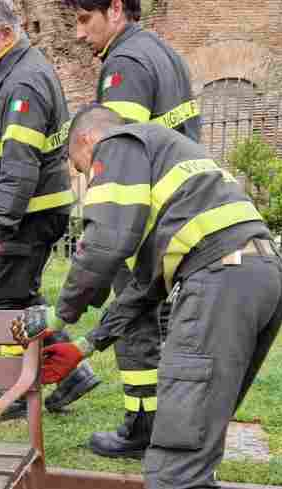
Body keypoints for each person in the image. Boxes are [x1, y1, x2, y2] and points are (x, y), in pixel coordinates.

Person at [16, 106, 282, 489]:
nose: (86, 181)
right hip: (257, 276)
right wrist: (87, 344)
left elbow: (105, 242)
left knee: (175, 463)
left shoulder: (119, 143)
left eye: (78, 169)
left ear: (87, 143)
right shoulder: (175, 182)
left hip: (218, 283)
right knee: (196, 445)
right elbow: (141, 288)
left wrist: (57, 314)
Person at [64, 0, 203, 458]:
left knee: (136, 322)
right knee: (158, 320)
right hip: (177, 209)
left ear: (116, 9)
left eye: (85, 19)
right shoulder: (164, 55)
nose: (80, 34)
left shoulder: (124, 62)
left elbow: (116, 154)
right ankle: (161, 424)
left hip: (146, 219)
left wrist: (105, 228)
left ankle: (141, 428)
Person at [0, 0, 101, 420]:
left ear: (6, 35)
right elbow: (14, 153)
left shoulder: (22, 82)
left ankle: (17, 393)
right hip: (40, 207)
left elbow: (20, 170)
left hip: (30, 212)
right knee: (26, 297)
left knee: (8, 301)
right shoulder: (19, 71)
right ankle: (73, 372)